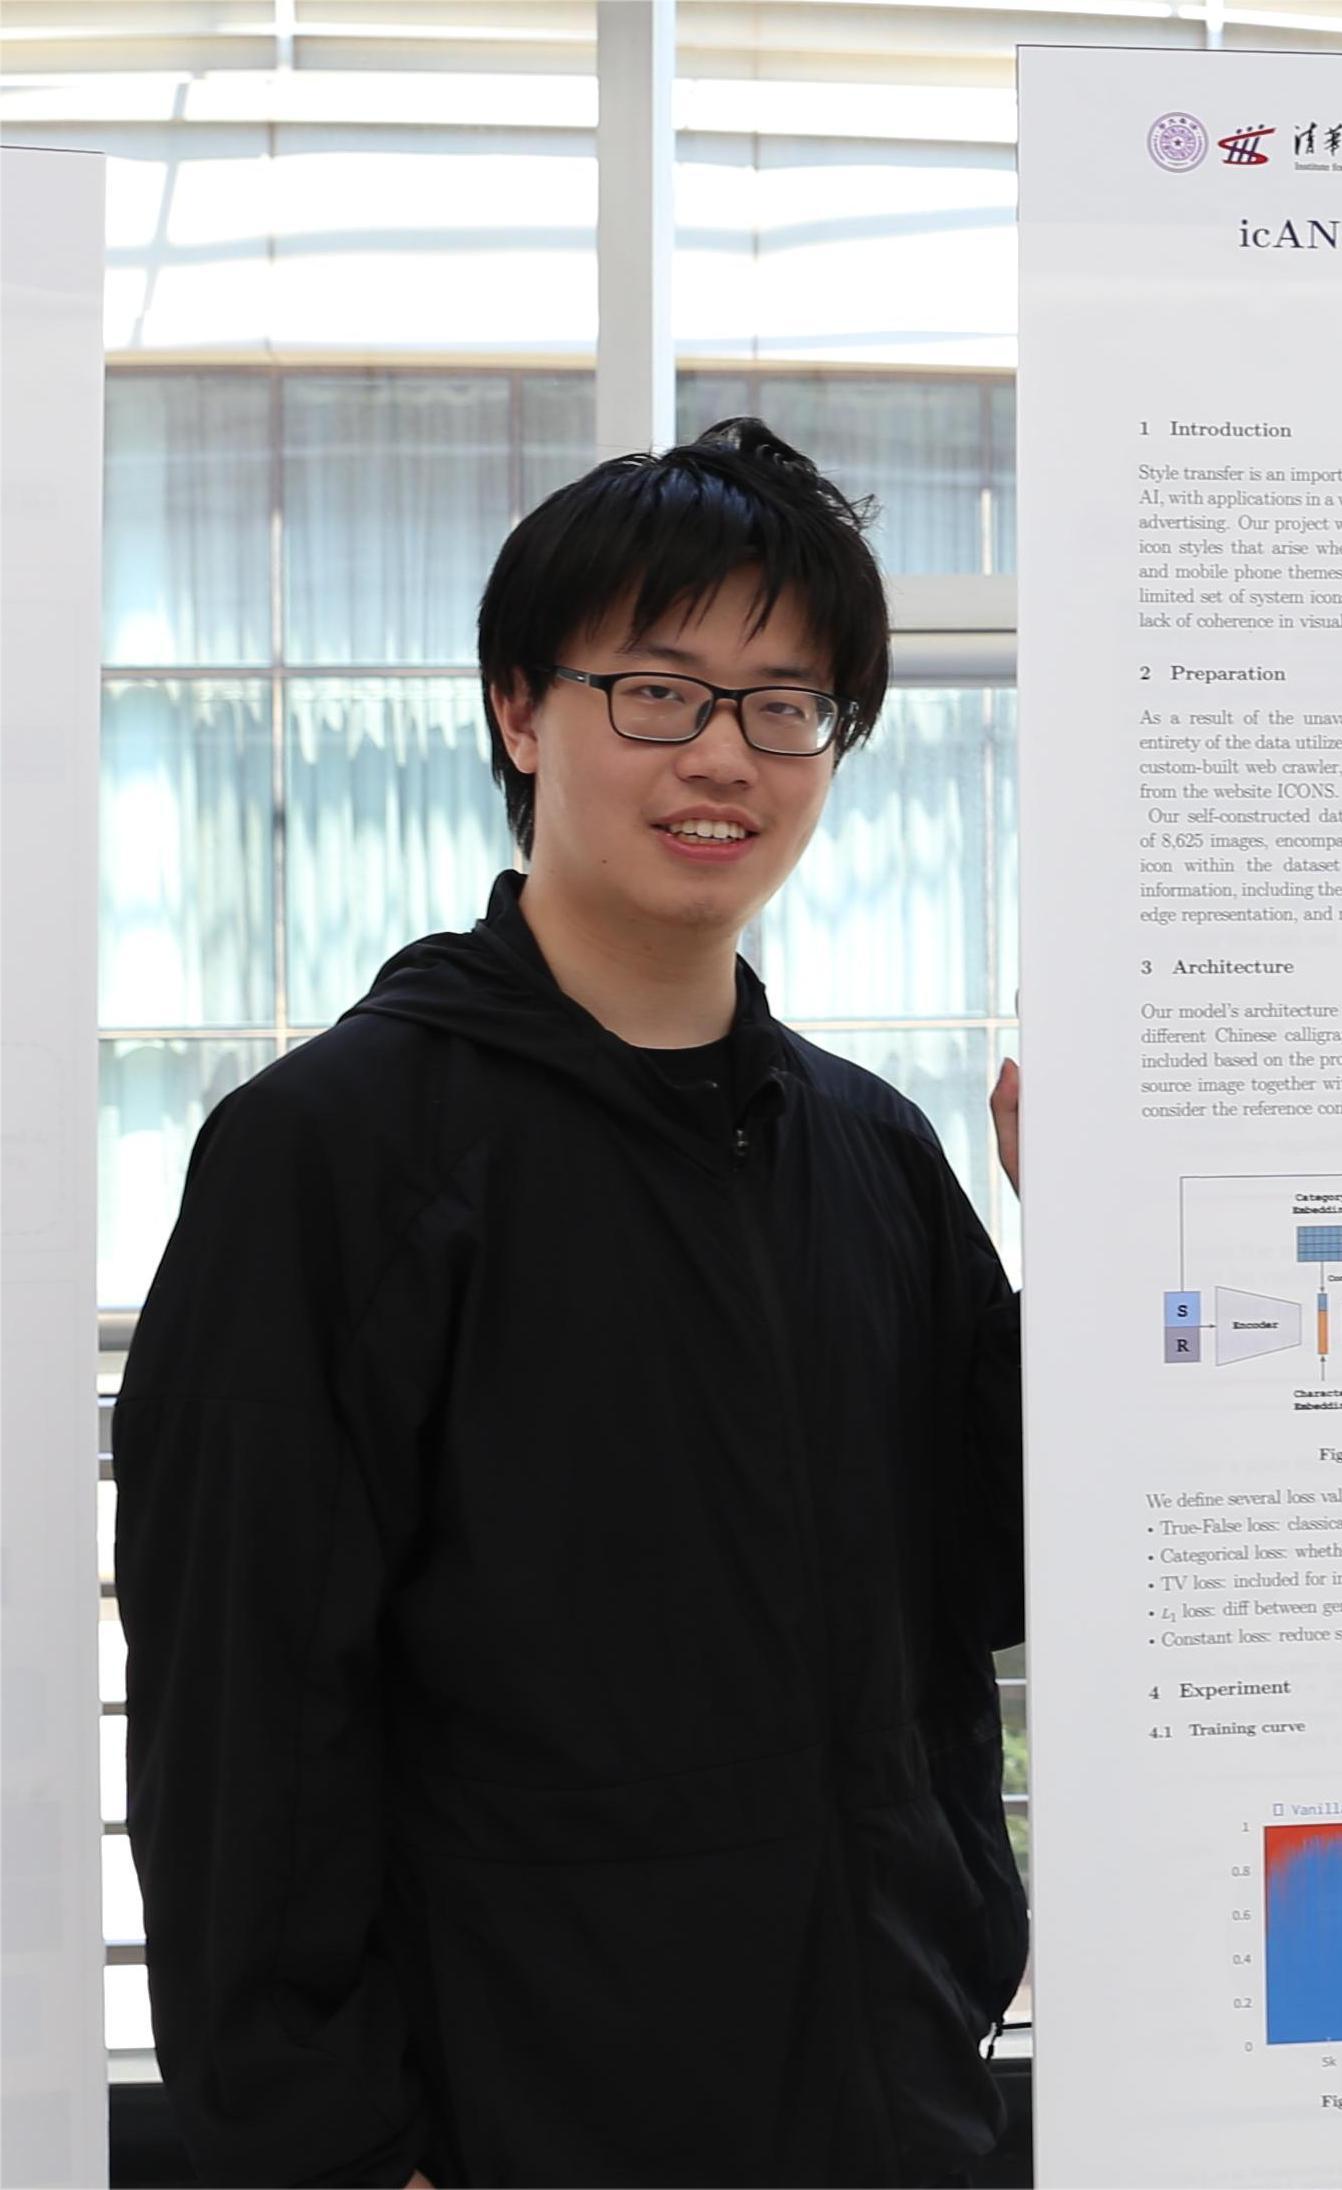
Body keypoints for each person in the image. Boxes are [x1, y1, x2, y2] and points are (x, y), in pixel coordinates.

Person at [114, 420, 1028, 2187]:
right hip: (516, 2132)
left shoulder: (872, 1153)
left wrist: (1104, 1234)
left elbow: (992, 1569)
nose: (726, 754)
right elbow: (243, 1737)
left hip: (884, 2108)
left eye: (787, 703)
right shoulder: (335, 1155)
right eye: (660, 691)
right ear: (521, 711)